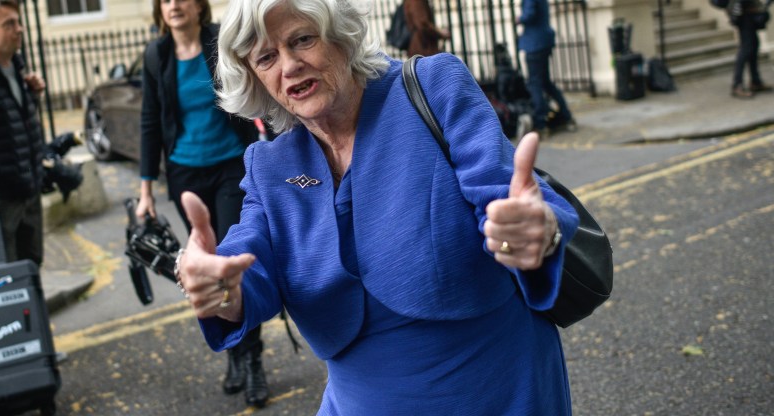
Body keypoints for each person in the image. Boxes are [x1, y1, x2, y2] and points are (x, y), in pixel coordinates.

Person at [176, 0, 579, 414]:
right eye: (266, 57)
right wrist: (220, 286)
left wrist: (534, 230)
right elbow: (250, 258)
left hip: (495, 388)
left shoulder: (432, 88)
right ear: (254, 79)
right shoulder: (270, 165)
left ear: (340, 36)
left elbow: (504, 192)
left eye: (302, 40)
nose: (289, 65)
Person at [136, 0, 269, 407]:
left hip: (230, 166)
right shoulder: (156, 55)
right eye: (166, 0)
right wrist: (146, 190)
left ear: (198, 6)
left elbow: (247, 90)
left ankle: (253, 362)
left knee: (229, 258)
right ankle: (233, 351)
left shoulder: (218, 41)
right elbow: (149, 119)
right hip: (185, 175)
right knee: (206, 262)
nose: (174, 5)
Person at [0, 0, 47, 266]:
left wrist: (34, 97)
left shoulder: (18, 69)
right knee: (2, 281)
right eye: (9, 24)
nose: (18, 29)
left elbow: (15, 125)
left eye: (18, 22)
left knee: (31, 269)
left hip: (28, 192)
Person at [517, 0, 576, 138]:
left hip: (535, 44)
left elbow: (530, 14)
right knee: (545, 82)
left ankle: (540, 123)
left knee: (535, 83)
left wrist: (520, 18)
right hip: (544, 41)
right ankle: (566, 116)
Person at [727, 0, 772, 98]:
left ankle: (755, 81)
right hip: (744, 16)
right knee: (746, 49)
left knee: (753, 46)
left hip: (749, 15)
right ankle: (737, 85)